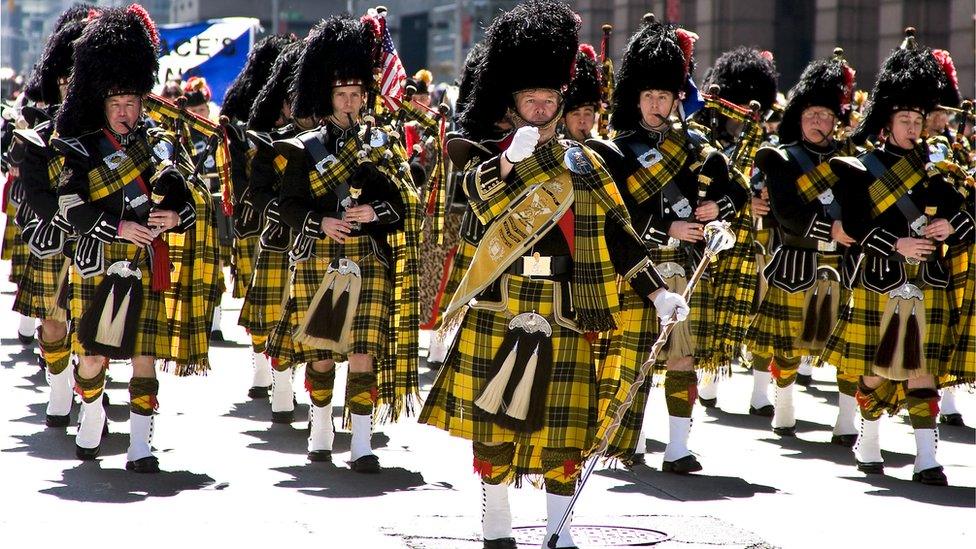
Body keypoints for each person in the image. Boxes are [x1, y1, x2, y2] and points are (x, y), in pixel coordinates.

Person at [418, 3, 689, 547]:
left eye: (548, 100)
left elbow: (618, 237)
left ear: (559, 103)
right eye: (529, 100)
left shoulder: (584, 162)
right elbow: (475, 207)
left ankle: (557, 532)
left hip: (568, 307)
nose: (540, 109)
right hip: (504, 304)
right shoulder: (489, 158)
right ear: (513, 105)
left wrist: (656, 292)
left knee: (566, 434)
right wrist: (506, 165)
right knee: (494, 428)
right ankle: (496, 522)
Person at [591, 15, 744, 472]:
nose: (657, 104)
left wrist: (718, 210)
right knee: (635, 357)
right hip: (642, 267)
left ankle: (678, 448)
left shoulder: (698, 147)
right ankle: (630, 441)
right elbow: (613, 216)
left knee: (683, 359)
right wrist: (666, 227)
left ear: (679, 98)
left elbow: (735, 190)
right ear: (635, 98)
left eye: (664, 95)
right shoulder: (616, 150)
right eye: (649, 95)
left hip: (690, 265)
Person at [269, 14, 421, 472]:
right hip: (319, 254)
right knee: (320, 354)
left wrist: (375, 213)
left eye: (357, 94)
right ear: (327, 96)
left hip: (369, 258)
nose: (350, 102)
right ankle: (319, 425)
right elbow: (286, 207)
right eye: (342, 95)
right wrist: (321, 223)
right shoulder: (303, 146)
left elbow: (407, 202)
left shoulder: (385, 142)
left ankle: (361, 441)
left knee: (362, 350)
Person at [824, 29, 973, 486]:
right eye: (905, 119)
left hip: (928, 280)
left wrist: (952, 227)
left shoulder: (940, 170)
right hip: (881, 279)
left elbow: (968, 218)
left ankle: (926, 460)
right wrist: (897, 244)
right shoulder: (857, 171)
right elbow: (849, 230)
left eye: (918, 119)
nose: (913, 127)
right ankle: (868, 439)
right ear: (886, 123)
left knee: (923, 370)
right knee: (876, 370)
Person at [53, 4, 196, 472]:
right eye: (115, 104)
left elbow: (188, 201)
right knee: (92, 358)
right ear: (102, 103)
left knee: (144, 357)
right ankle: (92, 410)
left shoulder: (159, 144)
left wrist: (173, 218)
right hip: (99, 257)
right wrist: (118, 226)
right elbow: (70, 205)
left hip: (145, 261)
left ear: (142, 102)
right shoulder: (82, 146)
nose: (124, 111)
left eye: (131, 103)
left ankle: (141, 448)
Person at [748, 50, 860, 443]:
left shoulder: (853, 161)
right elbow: (788, 215)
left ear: (835, 121)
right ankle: (784, 404)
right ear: (799, 117)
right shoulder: (782, 160)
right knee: (788, 346)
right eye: (811, 114)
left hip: (844, 266)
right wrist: (832, 232)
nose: (818, 121)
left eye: (826, 116)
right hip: (799, 259)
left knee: (850, 349)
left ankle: (847, 421)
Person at [10, 6, 95, 428]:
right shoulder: (40, 126)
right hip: (54, 232)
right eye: (64, 81)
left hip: (98, 234)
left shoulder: (103, 130)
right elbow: (31, 183)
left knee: (92, 324)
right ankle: (60, 387)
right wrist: (59, 216)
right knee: (53, 320)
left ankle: (88, 386)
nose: (69, 87)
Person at [220, 33, 298, 395]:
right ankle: (260, 367)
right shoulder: (244, 123)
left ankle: (280, 373)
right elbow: (237, 175)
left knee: (289, 302)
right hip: (255, 221)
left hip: (293, 222)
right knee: (262, 298)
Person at [238, 41, 307, 422]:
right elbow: (260, 192)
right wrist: (286, 212)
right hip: (282, 240)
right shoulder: (271, 145)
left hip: (322, 241)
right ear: (282, 105)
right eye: (293, 102)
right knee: (275, 316)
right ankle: (280, 381)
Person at [560, 44, 600, 142]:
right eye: (575, 113)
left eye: (587, 113)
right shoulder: (554, 152)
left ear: (594, 117)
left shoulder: (603, 151)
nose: (582, 121)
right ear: (563, 119)